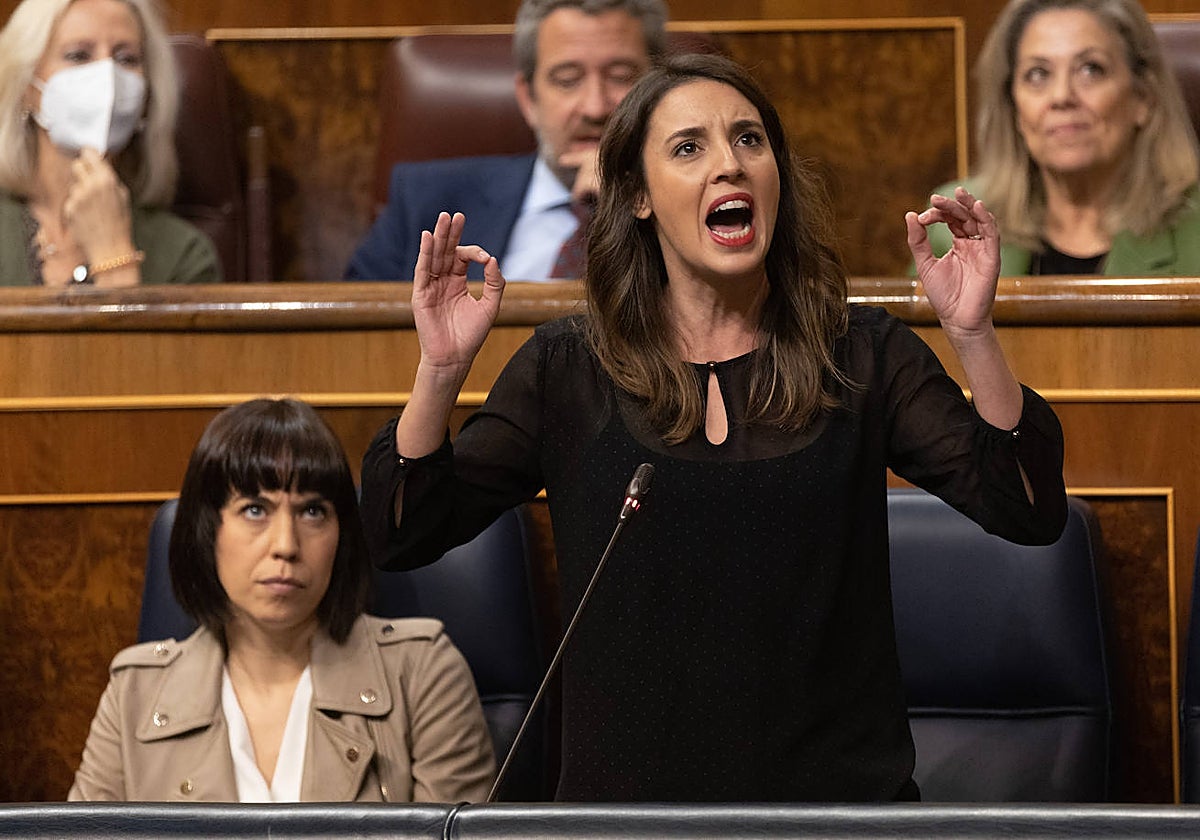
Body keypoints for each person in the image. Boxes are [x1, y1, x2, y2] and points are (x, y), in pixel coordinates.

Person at [359, 53, 1067, 802]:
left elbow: (1025, 508)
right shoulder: (568, 371)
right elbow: (405, 532)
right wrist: (439, 372)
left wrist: (974, 333)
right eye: (689, 147)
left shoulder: (862, 356)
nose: (730, 164)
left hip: (836, 821)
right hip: (628, 825)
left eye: (750, 140)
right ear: (635, 195)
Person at [69, 398, 495, 802]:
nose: (286, 545)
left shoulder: (421, 672)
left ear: (341, 536)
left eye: (313, 512)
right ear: (207, 532)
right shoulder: (135, 694)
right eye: (255, 509)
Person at [345, 0, 667, 281]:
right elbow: (349, 335)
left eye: (621, 76)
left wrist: (627, 202)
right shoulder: (426, 201)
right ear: (529, 100)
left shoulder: (684, 207)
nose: (595, 107)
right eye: (568, 80)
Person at [923, 0, 1200, 275]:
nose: (1061, 96)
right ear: (1014, 107)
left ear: (1143, 97)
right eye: (1038, 74)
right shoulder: (955, 226)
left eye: (1090, 69)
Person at [0, 0, 220, 286]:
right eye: (79, 55)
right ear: (28, 87)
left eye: (126, 59)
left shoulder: (186, 255)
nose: (107, 78)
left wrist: (113, 255)